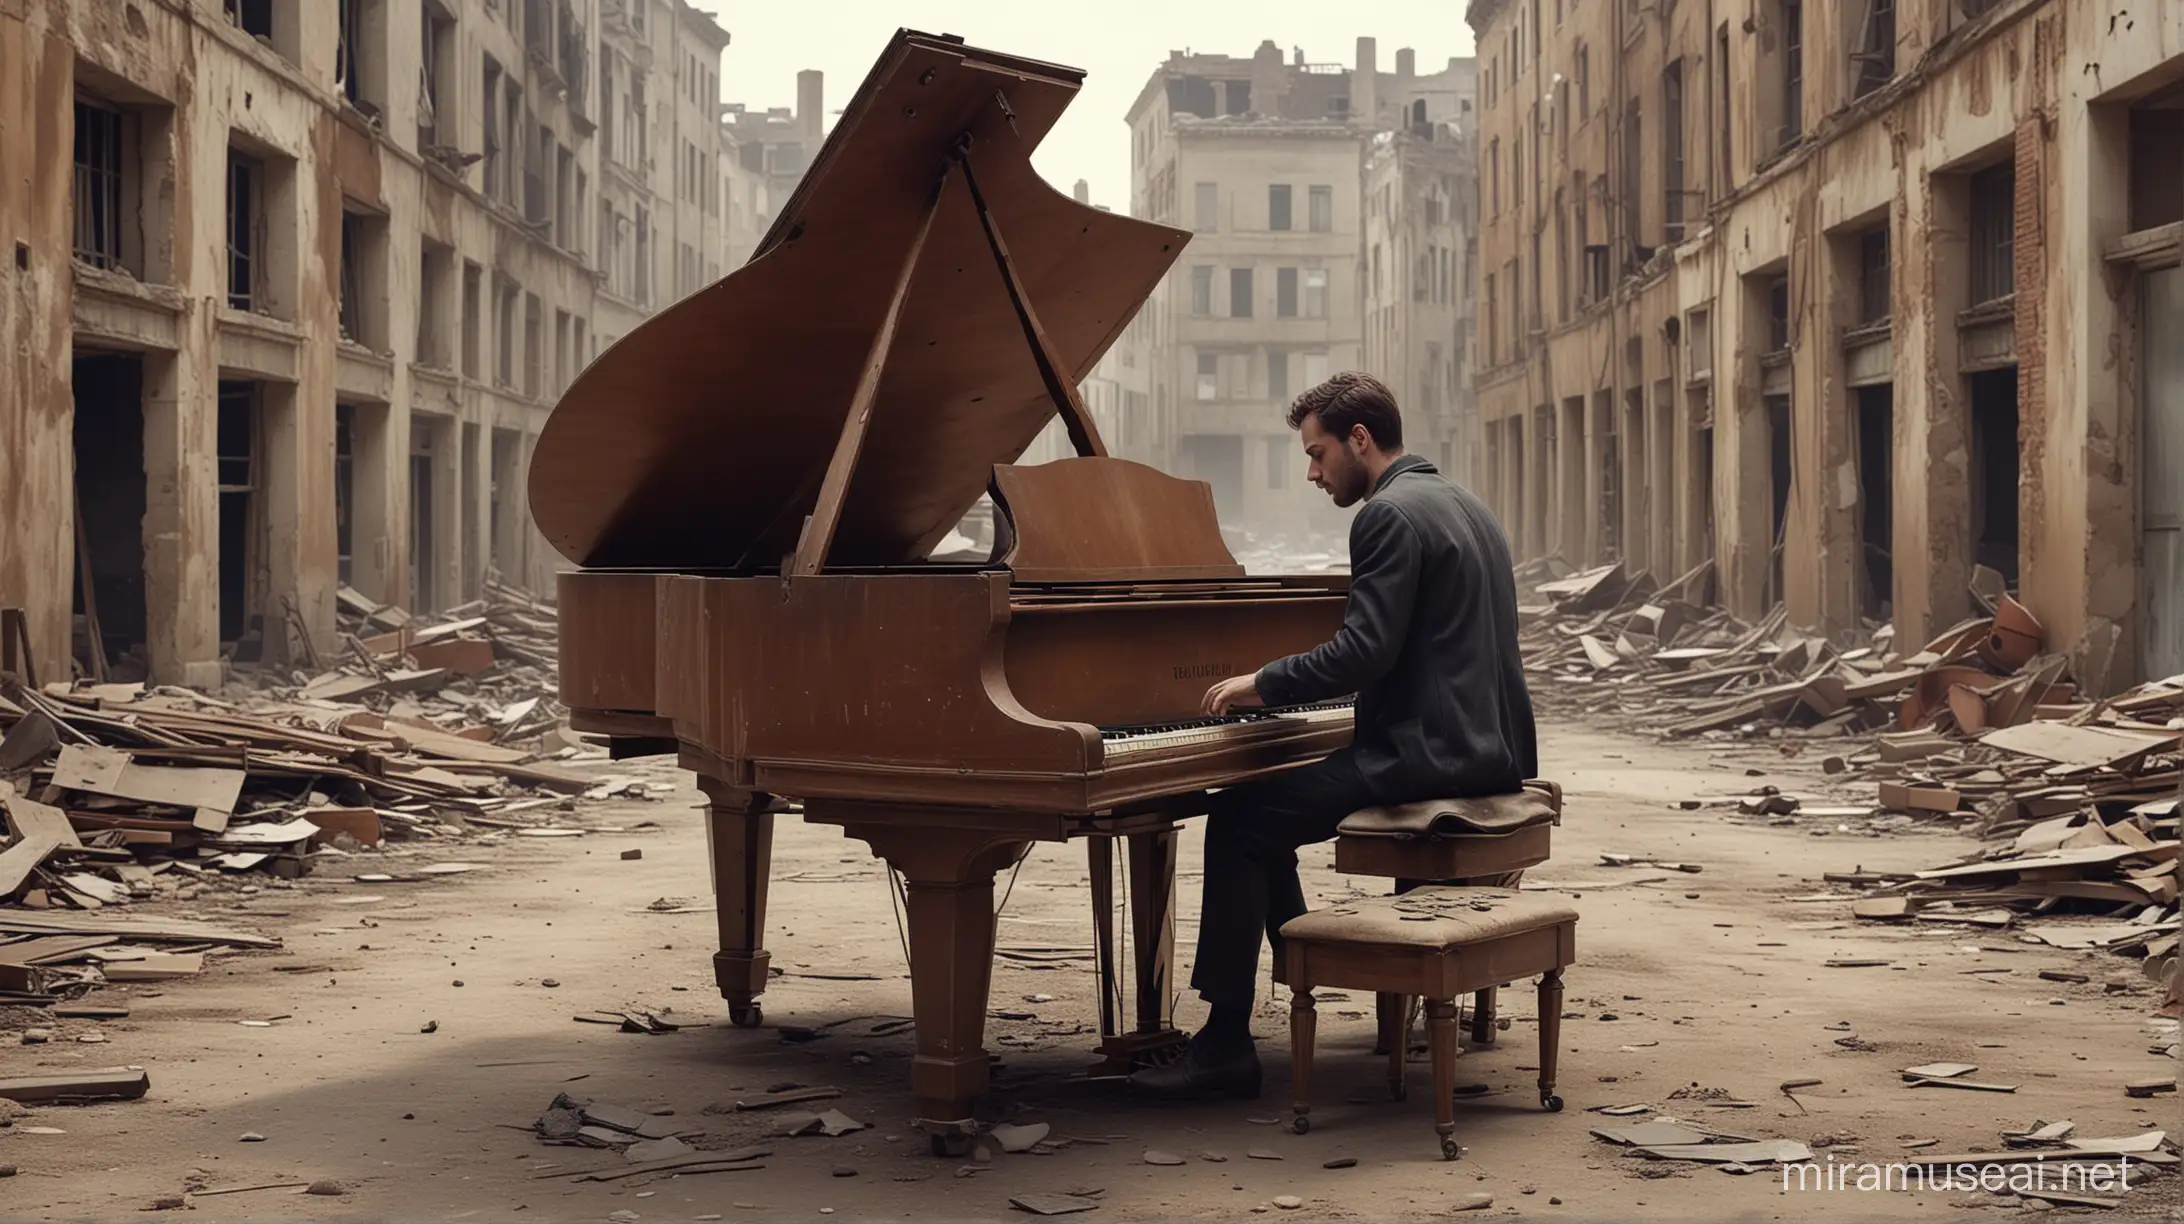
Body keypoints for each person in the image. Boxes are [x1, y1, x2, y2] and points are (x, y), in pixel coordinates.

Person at [1129, 371, 1538, 1100]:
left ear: (1359, 439)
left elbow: (1364, 652)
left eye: (1318, 454)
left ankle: (1225, 1042)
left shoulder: (1385, 516)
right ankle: (1307, 963)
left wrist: (1265, 682)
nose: (1313, 472)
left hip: (1430, 757)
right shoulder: (1464, 503)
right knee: (1266, 807)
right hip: (1490, 748)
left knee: (1238, 819)